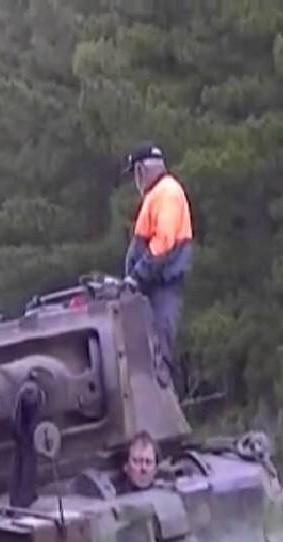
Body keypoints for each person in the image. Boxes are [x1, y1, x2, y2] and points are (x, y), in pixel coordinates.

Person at [122, 142, 193, 387]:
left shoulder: (168, 193)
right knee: (145, 350)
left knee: (159, 353)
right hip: (152, 286)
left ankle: (163, 410)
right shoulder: (158, 195)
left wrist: (137, 276)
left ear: (142, 171)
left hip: (161, 286)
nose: (135, 181)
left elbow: (164, 241)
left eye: (135, 174)